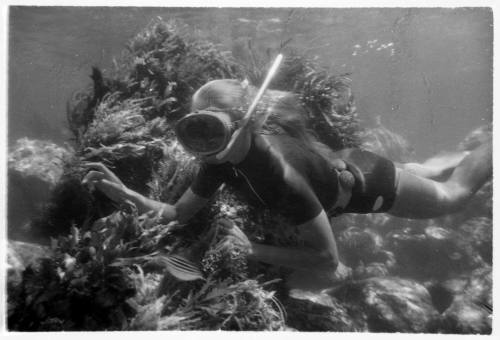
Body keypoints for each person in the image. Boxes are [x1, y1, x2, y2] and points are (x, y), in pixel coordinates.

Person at [82, 79, 492, 288]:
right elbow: (177, 214)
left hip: (372, 184)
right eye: (194, 132)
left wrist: (253, 249)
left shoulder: (281, 178)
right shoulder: (219, 161)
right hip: (343, 165)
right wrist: (127, 194)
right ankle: (430, 165)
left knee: (453, 195)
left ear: (246, 124)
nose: (204, 146)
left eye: (212, 130)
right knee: (424, 171)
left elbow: (327, 260)